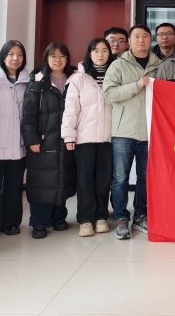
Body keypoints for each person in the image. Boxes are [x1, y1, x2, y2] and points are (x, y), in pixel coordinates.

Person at [103, 25, 161, 240]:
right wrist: (137, 85)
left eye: (145, 36)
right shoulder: (118, 65)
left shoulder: (159, 66)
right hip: (124, 131)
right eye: (136, 36)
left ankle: (140, 216)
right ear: (129, 41)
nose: (141, 40)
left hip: (150, 131)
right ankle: (121, 217)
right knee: (120, 178)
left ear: (150, 40)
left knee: (146, 178)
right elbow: (109, 93)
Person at [22, 42, 77, 239]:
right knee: (42, 181)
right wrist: (32, 139)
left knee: (63, 177)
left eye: (62, 56)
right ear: (46, 58)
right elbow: (28, 115)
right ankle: (39, 222)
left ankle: (58, 218)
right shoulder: (37, 82)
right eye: (53, 56)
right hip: (44, 141)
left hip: (67, 140)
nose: (58, 60)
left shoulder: (75, 80)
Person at [62, 38, 115, 237]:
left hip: (109, 138)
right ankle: (85, 220)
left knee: (103, 180)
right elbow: (70, 110)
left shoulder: (115, 75)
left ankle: (101, 217)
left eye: (104, 50)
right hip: (85, 138)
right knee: (85, 180)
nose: (100, 54)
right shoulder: (79, 79)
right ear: (89, 54)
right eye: (96, 51)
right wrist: (69, 136)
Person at [0, 40, 29, 241]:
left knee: (14, 186)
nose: (15, 58)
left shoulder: (28, 82)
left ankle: (11, 223)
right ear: (3, 57)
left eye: (19, 54)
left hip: (19, 144)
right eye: (11, 54)